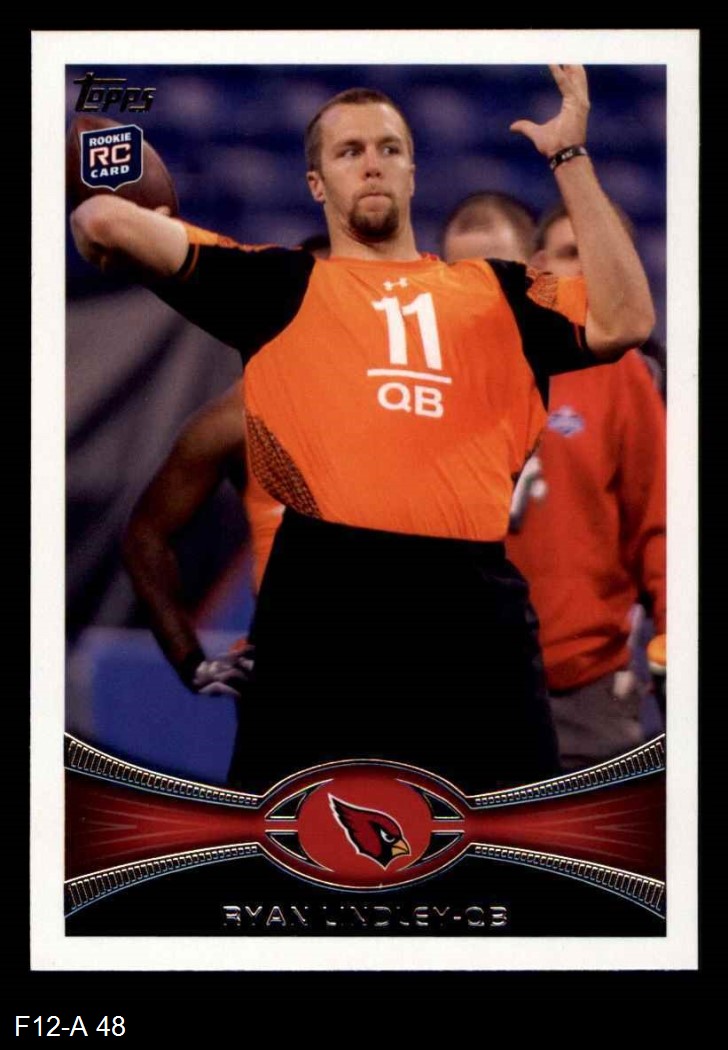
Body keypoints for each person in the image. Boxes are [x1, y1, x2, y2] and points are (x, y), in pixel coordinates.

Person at [70, 66, 655, 793]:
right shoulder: (278, 284)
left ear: (413, 172)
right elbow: (105, 220)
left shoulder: (498, 291)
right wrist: (94, 218)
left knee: (509, 839)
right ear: (317, 185)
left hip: (473, 606)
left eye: (389, 148)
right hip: (325, 604)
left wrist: (569, 155)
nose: (372, 163)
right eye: (349, 152)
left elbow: (627, 318)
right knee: (295, 836)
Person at [506, 204, 667, 769]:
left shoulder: (627, 375)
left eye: (603, 252)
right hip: (472, 681)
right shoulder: (476, 359)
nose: (589, 267)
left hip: (588, 685)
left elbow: (660, 526)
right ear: (537, 266)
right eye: (572, 253)